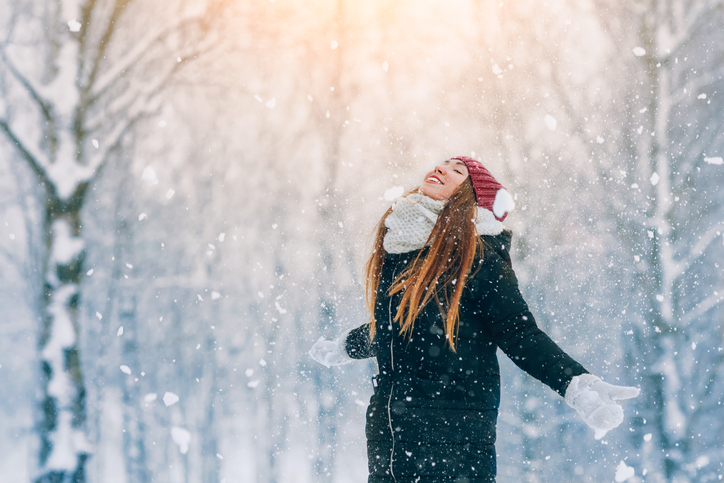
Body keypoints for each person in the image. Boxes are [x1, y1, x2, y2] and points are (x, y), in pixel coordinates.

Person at [310, 157, 639, 482]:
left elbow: (518, 332)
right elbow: (395, 330)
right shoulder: (403, 250)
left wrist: (574, 383)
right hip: (390, 439)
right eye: (443, 164)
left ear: (471, 198)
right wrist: (345, 347)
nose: (441, 168)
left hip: (453, 439)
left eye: (458, 171)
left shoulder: (478, 257)